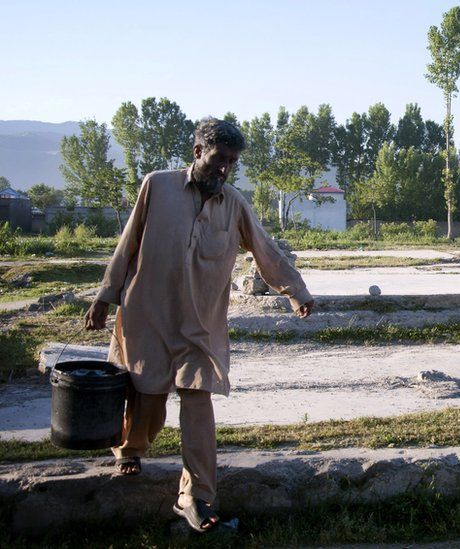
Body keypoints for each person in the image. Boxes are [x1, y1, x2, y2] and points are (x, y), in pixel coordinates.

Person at [84, 118, 313, 533]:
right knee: (147, 398)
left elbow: (264, 249)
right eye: (218, 158)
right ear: (197, 153)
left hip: (199, 324)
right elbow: (127, 243)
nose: (224, 168)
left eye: (231, 162)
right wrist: (105, 296)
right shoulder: (156, 186)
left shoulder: (235, 204)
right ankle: (130, 451)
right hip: (147, 315)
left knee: (197, 400)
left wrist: (294, 290)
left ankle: (197, 496)